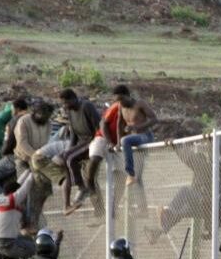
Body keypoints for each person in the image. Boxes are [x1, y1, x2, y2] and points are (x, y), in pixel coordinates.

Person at [72, 86, 124, 216]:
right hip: (102, 137)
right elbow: (102, 124)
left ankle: (113, 208)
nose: (114, 100)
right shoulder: (116, 107)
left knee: (121, 176)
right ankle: (90, 188)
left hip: (119, 143)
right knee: (94, 159)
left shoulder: (133, 110)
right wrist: (109, 141)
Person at [14, 99, 56, 228]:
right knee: (23, 190)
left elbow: (46, 143)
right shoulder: (24, 121)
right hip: (24, 159)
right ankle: (21, 220)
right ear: (35, 113)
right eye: (43, 116)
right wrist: (35, 155)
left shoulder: (48, 123)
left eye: (48, 116)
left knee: (45, 188)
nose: (45, 119)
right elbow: (22, 143)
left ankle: (34, 219)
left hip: (39, 159)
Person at [57, 89, 101, 210]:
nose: (65, 106)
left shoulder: (87, 106)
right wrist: (70, 149)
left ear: (73, 99)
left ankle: (82, 187)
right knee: (64, 156)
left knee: (70, 158)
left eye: (66, 103)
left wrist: (99, 143)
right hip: (82, 143)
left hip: (93, 141)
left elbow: (98, 127)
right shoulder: (70, 112)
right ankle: (76, 185)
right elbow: (73, 135)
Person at [117, 86, 159, 184]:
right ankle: (136, 185)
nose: (121, 103)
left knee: (125, 140)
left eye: (122, 99)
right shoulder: (121, 107)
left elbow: (154, 119)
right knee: (139, 177)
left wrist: (137, 127)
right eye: (119, 101)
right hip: (133, 139)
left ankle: (130, 174)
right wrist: (118, 142)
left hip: (145, 136)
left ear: (128, 96)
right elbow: (119, 125)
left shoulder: (139, 104)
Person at [0, 172, 36, 259]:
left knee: (31, 242)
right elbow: (25, 187)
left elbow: (17, 184)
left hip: (8, 239)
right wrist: (34, 171)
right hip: (7, 244)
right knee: (34, 251)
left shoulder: (3, 198)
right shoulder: (11, 200)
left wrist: (28, 170)